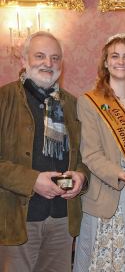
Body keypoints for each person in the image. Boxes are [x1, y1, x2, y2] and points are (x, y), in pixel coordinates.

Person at [0, 31, 87, 271]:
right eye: (40, 56)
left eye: (55, 58)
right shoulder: (4, 99)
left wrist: (80, 176)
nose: (48, 64)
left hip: (62, 218)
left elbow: (85, 157)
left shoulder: (72, 104)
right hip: (16, 218)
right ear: (24, 60)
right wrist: (32, 180)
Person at [73, 34, 125, 271]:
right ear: (105, 63)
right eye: (114, 56)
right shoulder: (89, 102)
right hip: (106, 195)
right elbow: (91, 154)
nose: (121, 61)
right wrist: (121, 174)